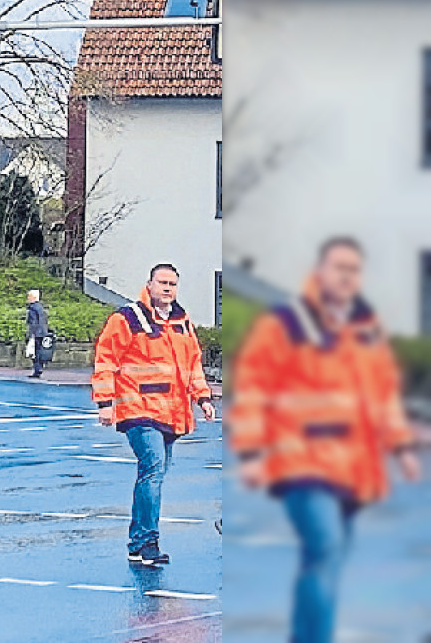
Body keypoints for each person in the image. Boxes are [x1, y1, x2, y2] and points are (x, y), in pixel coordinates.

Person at [228, 238, 420, 643]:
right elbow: (253, 389)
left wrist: (402, 446)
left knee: (327, 562)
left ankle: (308, 634)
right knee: (326, 549)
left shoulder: (365, 328)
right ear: (320, 272)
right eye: (339, 268)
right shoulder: (287, 325)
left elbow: (383, 394)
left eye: (354, 270)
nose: (347, 277)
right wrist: (249, 451)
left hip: (355, 465)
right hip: (302, 462)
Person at [92, 263, 216, 566]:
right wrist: (105, 402)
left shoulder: (182, 323)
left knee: (153, 474)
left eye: (172, 283)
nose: (167, 288)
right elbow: (106, 358)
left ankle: (137, 543)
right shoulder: (128, 319)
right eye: (162, 282)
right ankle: (148, 541)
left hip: (171, 412)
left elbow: (193, 365)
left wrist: (203, 398)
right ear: (149, 284)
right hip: (138, 409)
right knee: (153, 468)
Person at [25, 289, 50, 378]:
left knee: (35, 351)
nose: (28, 298)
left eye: (29, 296)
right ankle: (38, 369)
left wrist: (32, 333)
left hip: (36, 332)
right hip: (41, 332)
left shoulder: (33, 308)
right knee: (38, 351)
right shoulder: (40, 307)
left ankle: (37, 370)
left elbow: (34, 321)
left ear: (34, 297)